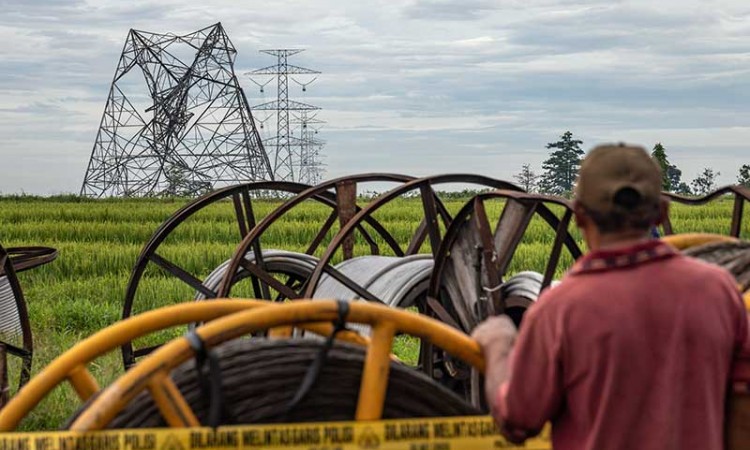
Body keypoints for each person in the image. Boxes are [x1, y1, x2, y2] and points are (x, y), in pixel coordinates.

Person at [472, 143, 748, 450]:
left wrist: (498, 346)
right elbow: (743, 407)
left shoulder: (559, 310)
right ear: (662, 213)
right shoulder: (719, 291)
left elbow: (518, 418)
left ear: (578, 215)